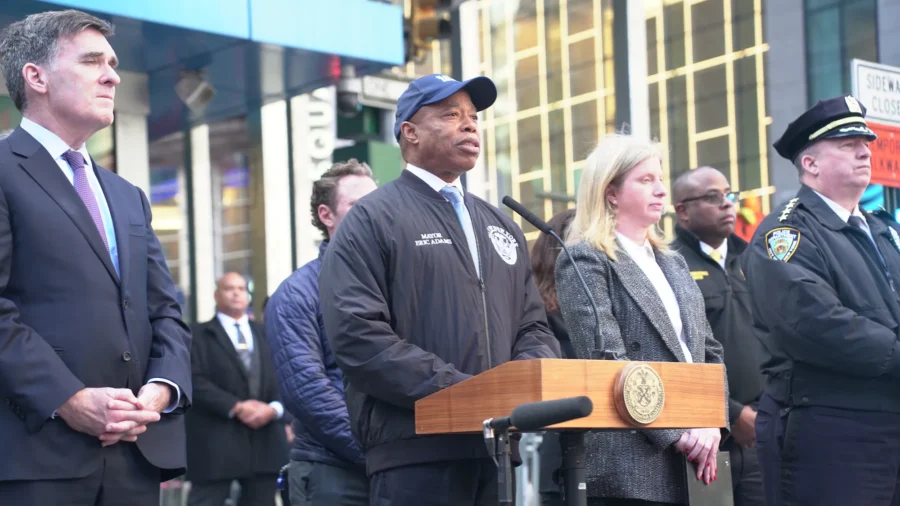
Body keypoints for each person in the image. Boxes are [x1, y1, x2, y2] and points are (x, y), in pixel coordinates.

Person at [318, 73, 561, 506]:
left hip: (496, 452)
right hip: (414, 455)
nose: (470, 125)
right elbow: (359, 338)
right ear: (409, 133)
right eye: (450, 115)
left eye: (472, 117)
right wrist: (466, 392)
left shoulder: (499, 223)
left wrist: (520, 385)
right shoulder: (372, 219)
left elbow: (533, 325)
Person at [0, 9, 192, 505]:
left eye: (112, 62)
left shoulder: (126, 195)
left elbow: (164, 311)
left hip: (134, 457)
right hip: (37, 460)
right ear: (35, 76)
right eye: (91, 61)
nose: (112, 74)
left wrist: (160, 392)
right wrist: (67, 399)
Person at [742, 95, 900, 506]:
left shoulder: (881, 229)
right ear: (810, 164)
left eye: (865, 143)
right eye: (848, 145)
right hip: (831, 425)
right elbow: (814, 324)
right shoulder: (785, 233)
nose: (865, 151)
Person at [556, 133, 726, 506]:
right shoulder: (585, 259)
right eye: (646, 180)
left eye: (661, 179)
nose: (661, 190)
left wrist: (713, 422)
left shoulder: (675, 262)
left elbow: (709, 352)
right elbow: (608, 361)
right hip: (632, 466)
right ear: (611, 192)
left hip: (699, 460)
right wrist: (679, 432)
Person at [266, 159, 377, 506]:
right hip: (332, 472)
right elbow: (308, 391)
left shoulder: (395, 283)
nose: (373, 216)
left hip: (396, 466)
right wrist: (379, 449)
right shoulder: (296, 293)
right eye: (359, 208)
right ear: (327, 215)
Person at [671, 167, 764, 506]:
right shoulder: (669, 265)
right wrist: (731, 412)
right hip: (704, 438)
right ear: (683, 211)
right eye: (713, 197)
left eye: (729, 195)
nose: (727, 204)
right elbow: (677, 355)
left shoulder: (753, 258)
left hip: (759, 432)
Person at [186, 272, 289, 506]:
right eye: (229, 288)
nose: (236, 293)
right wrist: (236, 407)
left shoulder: (268, 332)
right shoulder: (196, 335)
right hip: (215, 441)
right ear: (216, 295)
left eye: (242, 288)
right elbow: (194, 380)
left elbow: (286, 374)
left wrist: (273, 409)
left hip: (265, 441)